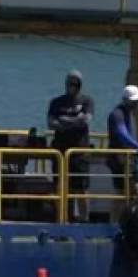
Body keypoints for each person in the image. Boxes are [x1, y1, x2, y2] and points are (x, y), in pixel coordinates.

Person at [46, 70, 94, 222]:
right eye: (70, 83)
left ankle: (84, 221)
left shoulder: (87, 101)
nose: (73, 86)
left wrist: (63, 120)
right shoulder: (56, 102)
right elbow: (51, 124)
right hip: (60, 152)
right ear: (65, 84)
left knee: (81, 189)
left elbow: (86, 120)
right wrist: (75, 120)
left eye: (76, 83)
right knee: (61, 188)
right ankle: (63, 220)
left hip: (80, 152)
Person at [106, 85, 138, 205]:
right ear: (126, 100)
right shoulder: (117, 114)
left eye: (137, 101)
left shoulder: (128, 114)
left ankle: (132, 217)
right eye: (134, 101)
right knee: (121, 193)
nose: (136, 104)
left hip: (129, 158)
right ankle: (115, 222)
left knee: (134, 191)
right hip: (119, 159)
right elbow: (123, 134)